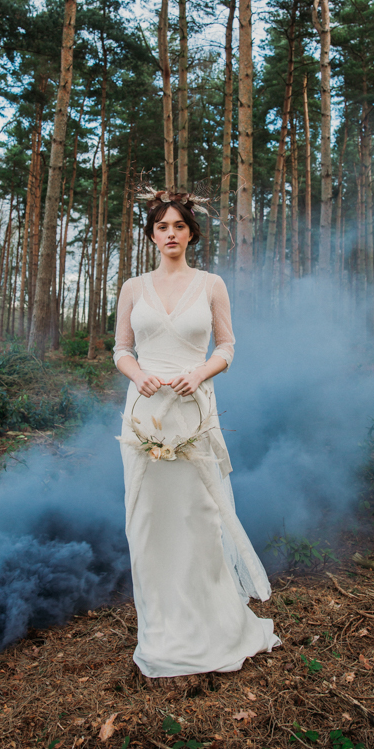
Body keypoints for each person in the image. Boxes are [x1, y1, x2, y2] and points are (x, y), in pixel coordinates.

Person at [114, 190, 279, 679]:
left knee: (198, 517)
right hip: (144, 414)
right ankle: (160, 629)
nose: (170, 234)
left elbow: (227, 345)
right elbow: (121, 349)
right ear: (151, 234)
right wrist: (136, 373)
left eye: (178, 227)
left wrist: (202, 372)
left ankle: (212, 626)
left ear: (191, 233)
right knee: (147, 521)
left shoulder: (211, 284)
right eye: (162, 227)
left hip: (191, 411)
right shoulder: (132, 287)